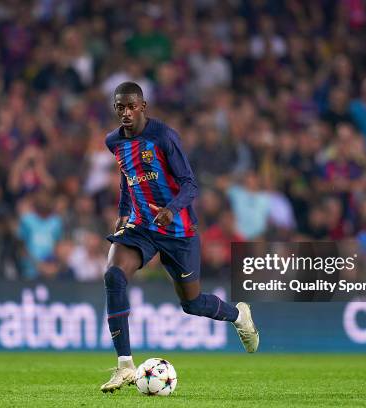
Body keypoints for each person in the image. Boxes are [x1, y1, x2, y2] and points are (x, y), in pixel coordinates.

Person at [100, 82, 259, 393]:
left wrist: (171, 210)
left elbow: (190, 184)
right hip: (142, 226)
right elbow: (127, 177)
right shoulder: (113, 142)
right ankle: (124, 366)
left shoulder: (163, 136)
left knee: (192, 303)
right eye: (120, 107)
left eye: (132, 106)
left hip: (177, 230)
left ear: (143, 106)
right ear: (115, 108)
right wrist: (122, 211)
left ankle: (239, 314)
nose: (126, 112)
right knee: (114, 275)